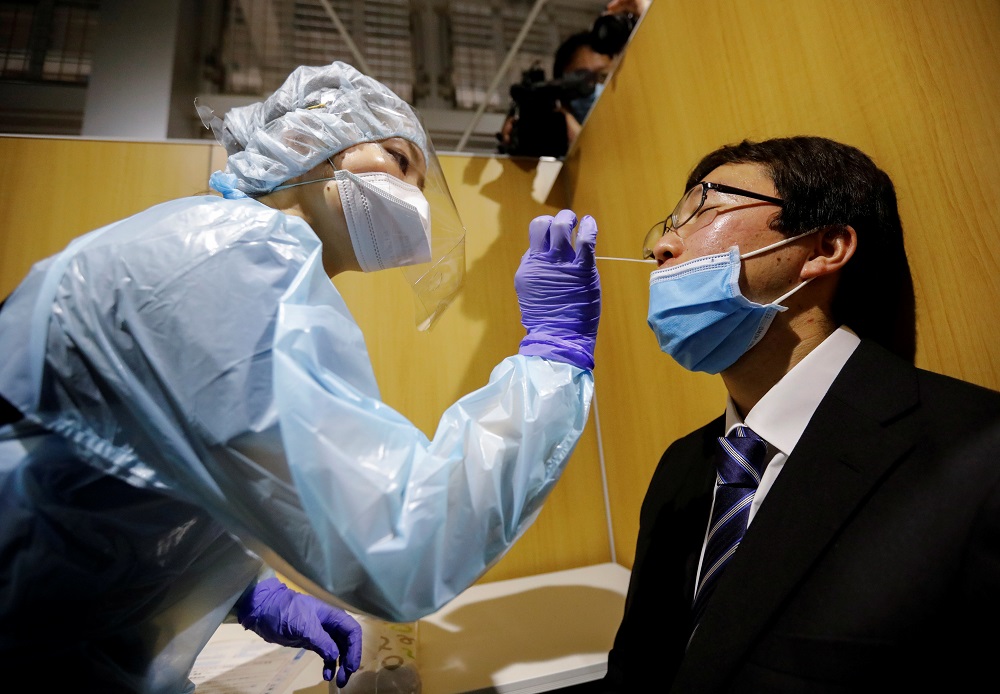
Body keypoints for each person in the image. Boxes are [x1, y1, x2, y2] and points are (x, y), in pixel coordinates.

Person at [0, 61, 601, 693]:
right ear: (300, 145)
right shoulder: (237, 262)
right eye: (399, 161)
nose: (417, 203)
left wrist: (245, 588)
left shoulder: (211, 247)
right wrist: (552, 358)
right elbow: (406, 546)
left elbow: (130, 476)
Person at [561, 135, 1000, 692]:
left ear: (825, 247)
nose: (663, 247)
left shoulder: (977, 456)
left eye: (705, 208)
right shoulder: (683, 468)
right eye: (667, 225)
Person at [498, 0, 650, 156]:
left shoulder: (643, 128)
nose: (592, 87)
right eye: (580, 79)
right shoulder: (558, 141)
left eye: (603, 77)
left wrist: (646, 15)